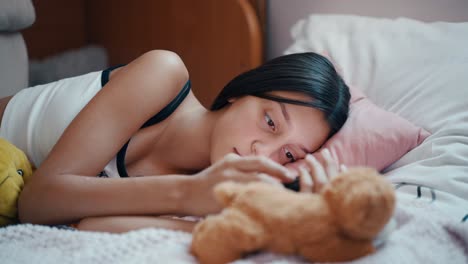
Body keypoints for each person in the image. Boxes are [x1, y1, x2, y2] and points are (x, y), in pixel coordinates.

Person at [0, 50, 350, 233]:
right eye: (270, 120)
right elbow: (38, 203)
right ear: (241, 93)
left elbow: (91, 225)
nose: (262, 152)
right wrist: (188, 192)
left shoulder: (206, 193)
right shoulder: (163, 73)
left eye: (288, 154)